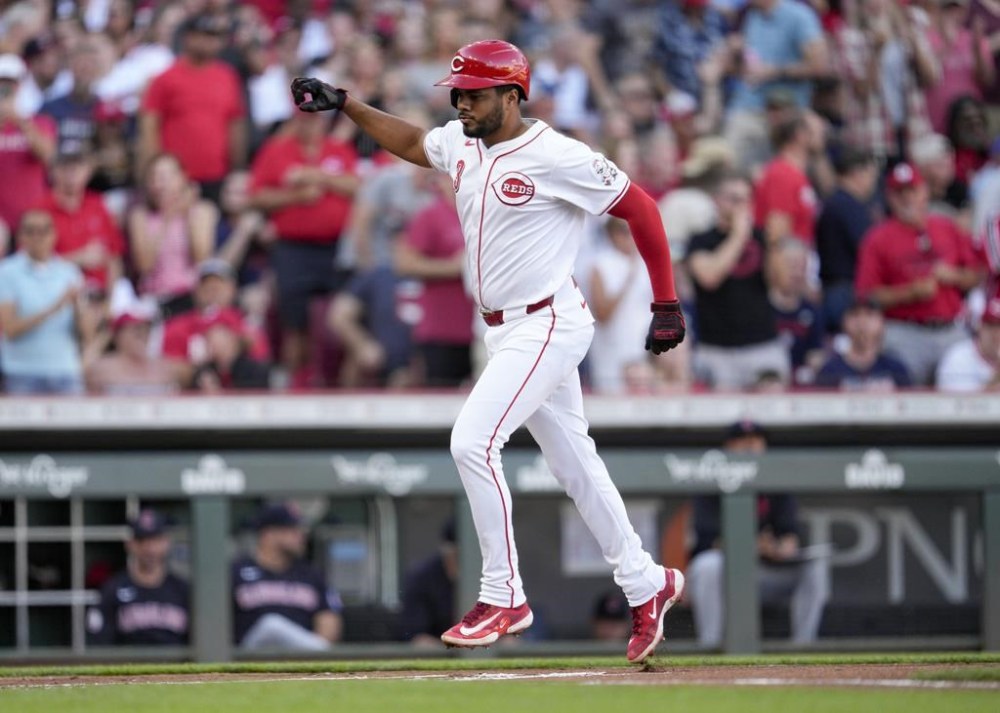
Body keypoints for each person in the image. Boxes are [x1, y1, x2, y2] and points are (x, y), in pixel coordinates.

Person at [291, 38, 686, 663]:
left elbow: (642, 209)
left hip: (547, 321)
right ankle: (646, 582)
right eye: (458, 93)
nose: (462, 104)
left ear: (511, 94)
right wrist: (347, 104)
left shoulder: (557, 154)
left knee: (472, 442)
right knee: (576, 467)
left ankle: (504, 594)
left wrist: (666, 302)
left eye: (474, 94)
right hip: (501, 329)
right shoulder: (462, 140)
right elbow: (414, 142)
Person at [685, 421, 828, 648]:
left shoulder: (776, 483)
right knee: (708, 565)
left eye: (756, 441)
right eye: (743, 441)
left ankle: (804, 646)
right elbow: (707, 540)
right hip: (724, 575)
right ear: (729, 447)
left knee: (813, 568)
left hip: (764, 573)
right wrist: (749, 546)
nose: (751, 447)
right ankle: (710, 646)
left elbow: (789, 536)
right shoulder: (710, 482)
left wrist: (780, 548)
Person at [248, 109, 359, 382]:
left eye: (314, 119)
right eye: (303, 120)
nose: (308, 125)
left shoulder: (338, 149)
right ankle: (295, 384)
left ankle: (335, 383)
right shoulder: (276, 150)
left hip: (335, 247)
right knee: (294, 323)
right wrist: (296, 196)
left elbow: (357, 186)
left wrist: (318, 176)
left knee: (339, 318)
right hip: (293, 248)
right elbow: (256, 197)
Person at [855, 162, 984, 384]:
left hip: (950, 328)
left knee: (965, 382)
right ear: (889, 197)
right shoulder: (877, 238)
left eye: (912, 191)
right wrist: (909, 292)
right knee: (905, 391)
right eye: (899, 193)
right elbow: (866, 295)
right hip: (904, 330)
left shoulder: (946, 227)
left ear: (924, 192)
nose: (907, 198)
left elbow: (977, 274)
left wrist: (954, 276)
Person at [686, 172, 790, 390]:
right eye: (733, 199)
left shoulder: (761, 238)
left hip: (762, 344)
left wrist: (775, 244)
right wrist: (739, 235)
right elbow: (709, 277)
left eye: (745, 199)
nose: (740, 206)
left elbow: (782, 285)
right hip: (716, 349)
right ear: (716, 200)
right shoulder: (701, 240)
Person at [138, 13, 247, 203]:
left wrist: (237, 168)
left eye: (213, 36)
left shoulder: (228, 77)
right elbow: (149, 130)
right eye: (201, 34)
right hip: (175, 180)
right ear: (187, 37)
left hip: (217, 176)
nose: (207, 41)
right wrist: (153, 175)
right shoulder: (165, 79)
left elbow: (235, 125)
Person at [0, 209, 94, 395]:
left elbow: (87, 335)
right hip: (22, 372)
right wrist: (55, 307)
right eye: (31, 231)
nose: (38, 237)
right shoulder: (7, 272)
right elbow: (10, 329)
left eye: (43, 231)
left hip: (65, 370)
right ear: (21, 236)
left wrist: (78, 308)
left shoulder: (70, 273)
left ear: (54, 235)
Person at [395, 173, 475, 387]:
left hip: (480, 325)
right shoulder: (430, 215)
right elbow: (405, 263)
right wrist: (453, 267)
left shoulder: (480, 213)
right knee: (442, 390)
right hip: (442, 326)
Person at [232, 502, 344, 651]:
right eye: (293, 529)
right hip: (248, 655)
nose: (301, 535)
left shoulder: (311, 574)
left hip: (301, 656)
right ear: (268, 535)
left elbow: (329, 625)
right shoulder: (236, 572)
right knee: (271, 625)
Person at [128, 154, 218, 315]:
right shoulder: (140, 216)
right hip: (155, 298)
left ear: (182, 178)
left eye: (166, 177)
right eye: (154, 178)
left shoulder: (202, 211)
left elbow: (201, 258)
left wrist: (189, 214)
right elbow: (145, 266)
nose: (160, 184)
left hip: (191, 298)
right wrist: (168, 217)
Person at [86, 509, 190, 646]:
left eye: (156, 540)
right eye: (142, 541)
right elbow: (101, 642)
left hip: (175, 659)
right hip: (129, 659)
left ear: (166, 542)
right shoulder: (114, 589)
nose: (150, 549)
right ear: (130, 544)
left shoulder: (183, 589)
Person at [38, 144, 125, 301]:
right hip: (57, 296)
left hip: (101, 295)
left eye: (78, 165)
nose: (72, 172)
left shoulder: (98, 204)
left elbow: (114, 258)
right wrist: (77, 259)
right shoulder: (41, 210)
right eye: (65, 165)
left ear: (88, 171)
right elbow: (31, 265)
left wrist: (108, 301)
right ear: (53, 171)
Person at [815, 147, 879, 331]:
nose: (873, 182)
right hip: (844, 290)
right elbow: (867, 247)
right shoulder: (846, 205)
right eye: (870, 174)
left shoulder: (837, 202)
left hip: (836, 288)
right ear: (857, 173)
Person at [0, 53, 56, 252]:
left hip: (31, 219)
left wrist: (19, 121)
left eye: (10, 84)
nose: (4, 90)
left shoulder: (39, 122)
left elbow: (47, 155)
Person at [814, 298, 913, 391]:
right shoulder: (830, 371)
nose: (862, 322)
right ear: (844, 322)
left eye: (869, 315)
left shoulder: (896, 369)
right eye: (855, 315)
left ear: (882, 323)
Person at [86, 307, 189, 395]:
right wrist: (105, 335)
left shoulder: (165, 368)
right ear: (118, 334)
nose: (143, 333)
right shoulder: (102, 369)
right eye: (136, 329)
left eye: (147, 328)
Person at [397, 520, 458, 647]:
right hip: (441, 650)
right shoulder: (422, 577)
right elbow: (416, 636)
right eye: (457, 556)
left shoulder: (494, 573)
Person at [936, 293, 1000, 391]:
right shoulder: (958, 357)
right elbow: (957, 399)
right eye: (991, 326)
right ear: (979, 328)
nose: (997, 333)